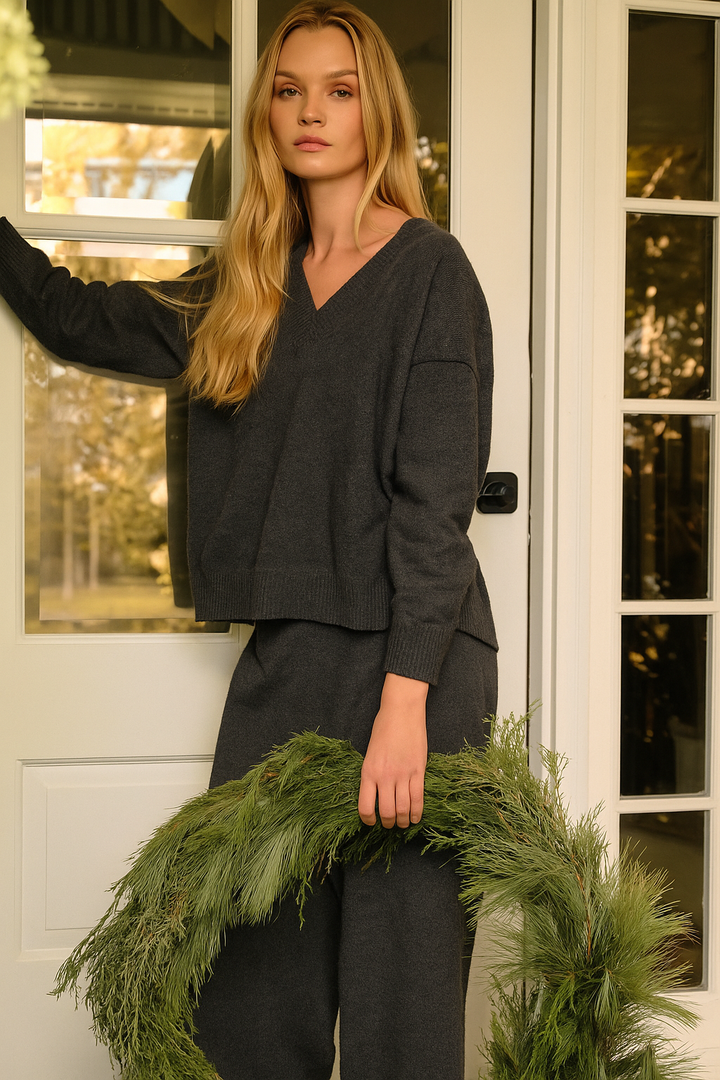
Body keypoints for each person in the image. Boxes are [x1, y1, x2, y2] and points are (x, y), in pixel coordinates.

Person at [0, 3, 497, 1077]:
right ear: (266, 115)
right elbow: (74, 318)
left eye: (340, 88)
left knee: (397, 1002)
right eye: (288, 89)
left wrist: (404, 705)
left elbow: (435, 505)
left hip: (416, 662)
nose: (311, 111)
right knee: (250, 992)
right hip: (291, 656)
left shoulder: (430, 274)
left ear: (379, 112)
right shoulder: (243, 293)